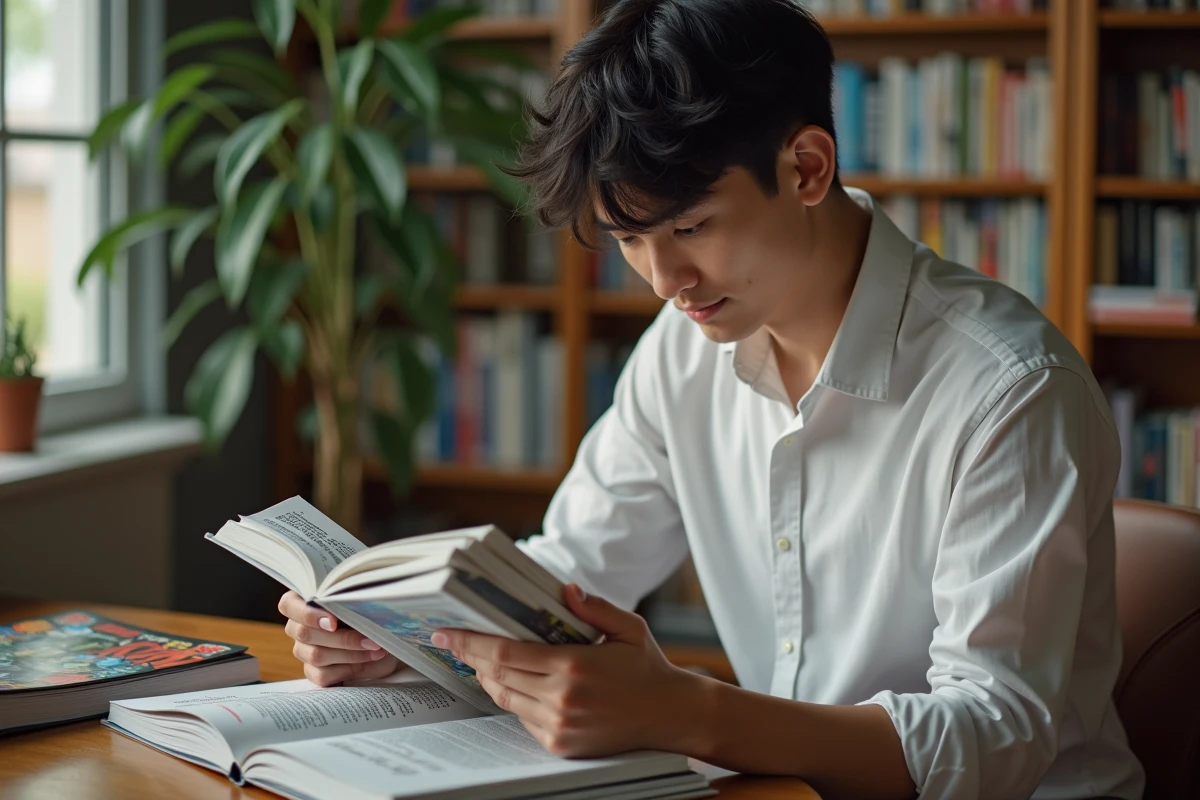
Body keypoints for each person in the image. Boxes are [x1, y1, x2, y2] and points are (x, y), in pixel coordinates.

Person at [278, 1, 1146, 797]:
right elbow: (572, 574)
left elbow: (994, 739)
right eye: (629, 239)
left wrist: (687, 712)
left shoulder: (1009, 391)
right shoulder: (683, 352)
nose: (666, 280)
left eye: (691, 227)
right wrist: (395, 641)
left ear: (807, 167)